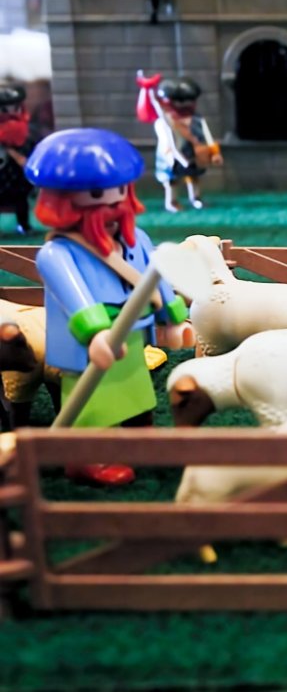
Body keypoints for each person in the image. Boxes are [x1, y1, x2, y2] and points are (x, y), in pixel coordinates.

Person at [25, 128, 191, 486]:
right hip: (91, 345)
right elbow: (75, 298)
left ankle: (139, 439)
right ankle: (85, 458)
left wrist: (173, 318)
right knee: (92, 400)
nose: (114, 203)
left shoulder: (136, 238)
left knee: (136, 388)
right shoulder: (57, 253)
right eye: (99, 195)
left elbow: (155, 277)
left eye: (120, 191)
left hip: (133, 334)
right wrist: (96, 334)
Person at [153, 76, 223, 213]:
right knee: (171, 180)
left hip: (192, 152)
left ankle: (195, 198)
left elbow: (207, 136)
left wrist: (215, 152)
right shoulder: (163, 123)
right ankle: (171, 201)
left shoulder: (197, 120)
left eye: (187, 101)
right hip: (170, 156)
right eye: (178, 101)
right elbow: (167, 142)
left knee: (193, 175)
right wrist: (173, 156)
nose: (183, 105)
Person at [0, 83, 36, 234]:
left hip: (18, 177)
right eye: (4, 109)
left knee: (21, 199)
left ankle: (24, 225)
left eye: (15, 108)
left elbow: (31, 147)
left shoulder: (26, 130)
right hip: (3, 173)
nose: (11, 113)